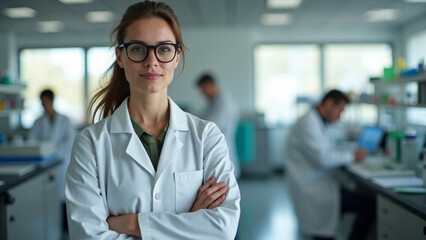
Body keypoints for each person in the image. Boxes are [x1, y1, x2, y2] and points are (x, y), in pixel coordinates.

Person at [65, 1, 240, 239]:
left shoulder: (207, 137)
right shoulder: (91, 144)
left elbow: (223, 228)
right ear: (120, 56)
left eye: (164, 49)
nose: (152, 60)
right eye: (138, 49)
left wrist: (130, 224)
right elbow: (88, 236)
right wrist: (190, 221)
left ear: (177, 57)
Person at [284, 89, 375, 240]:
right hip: (313, 189)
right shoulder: (308, 123)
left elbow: (327, 150)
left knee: (366, 205)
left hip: (321, 184)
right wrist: (353, 155)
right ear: (329, 103)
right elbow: (323, 158)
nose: (339, 117)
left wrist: (349, 153)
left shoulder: (318, 121)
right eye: (340, 111)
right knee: (369, 206)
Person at [27, 88, 76, 231]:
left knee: (64, 196)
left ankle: (65, 228)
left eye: (46, 102)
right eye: (42, 103)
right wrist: (45, 150)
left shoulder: (65, 120)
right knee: (50, 197)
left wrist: (52, 150)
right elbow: (31, 141)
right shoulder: (38, 122)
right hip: (45, 164)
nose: (44, 105)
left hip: (62, 163)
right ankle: (54, 227)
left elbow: (70, 141)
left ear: (52, 101)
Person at [197, 73, 241, 179]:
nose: (203, 94)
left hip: (222, 150)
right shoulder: (213, 103)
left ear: (210, 85)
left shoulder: (224, 104)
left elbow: (211, 127)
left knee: (224, 187)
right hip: (215, 150)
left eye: (203, 90)